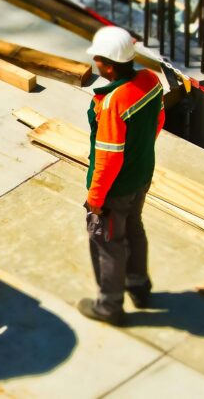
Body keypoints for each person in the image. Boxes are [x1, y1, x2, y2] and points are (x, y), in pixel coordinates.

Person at [78, 26, 166, 326]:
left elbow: (108, 157)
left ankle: (109, 306)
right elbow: (159, 120)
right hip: (142, 176)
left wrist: (96, 198)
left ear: (109, 64)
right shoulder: (150, 81)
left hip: (116, 188)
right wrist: (140, 157)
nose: (96, 65)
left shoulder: (114, 100)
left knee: (107, 241)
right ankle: (139, 287)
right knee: (134, 228)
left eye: (98, 60)